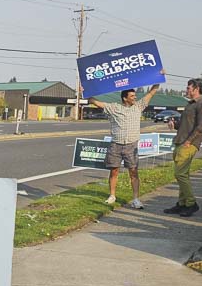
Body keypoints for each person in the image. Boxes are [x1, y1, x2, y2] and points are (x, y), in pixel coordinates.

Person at [86, 78, 162, 208]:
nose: (135, 97)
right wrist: (85, 92)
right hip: (116, 145)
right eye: (132, 96)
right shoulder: (114, 108)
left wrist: (157, 78)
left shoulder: (138, 107)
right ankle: (112, 196)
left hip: (131, 146)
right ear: (125, 98)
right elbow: (96, 102)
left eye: (135, 95)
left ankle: (136, 199)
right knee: (114, 171)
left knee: (133, 172)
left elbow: (151, 93)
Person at [163, 78, 202, 217]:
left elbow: (200, 126)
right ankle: (182, 204)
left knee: (179, 174)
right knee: (182, 175)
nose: (186, 90)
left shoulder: (200, 104)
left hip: (189, 143)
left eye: (188, 88)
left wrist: (189, 141)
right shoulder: (189, 104)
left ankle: (191, 203)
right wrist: (175, 125)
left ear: (196, 89)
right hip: (180, 141)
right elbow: (186, 124)